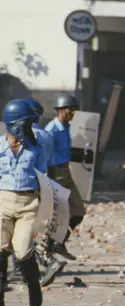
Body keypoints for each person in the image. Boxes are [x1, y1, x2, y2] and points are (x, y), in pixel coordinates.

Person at [0, 99, 49, 306]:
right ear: (15, 124)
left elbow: (44, 178)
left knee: (22, 251)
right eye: (28, 123)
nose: (30, 127)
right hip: (3, 201)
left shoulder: (36, 148)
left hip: (28, 204)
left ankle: (33, 282)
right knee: (0, 250)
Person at [23, 99, 67, 286]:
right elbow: (51, 165)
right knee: (36, 229)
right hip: (44, 184)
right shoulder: (47, 135)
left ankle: (46, 262)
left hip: (23, 189)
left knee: (24, 232)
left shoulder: (19, 137)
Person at [44, 94, 86, 261]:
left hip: (65, 172)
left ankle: (58, 243)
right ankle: (46, 252)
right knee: (56, 215)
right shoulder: (51, 130)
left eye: (74, 110)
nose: (72, 113)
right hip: (55, 174)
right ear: (60, 110)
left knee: (78, 212)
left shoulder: (67, 126)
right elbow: (45, 155)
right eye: (70, 110)